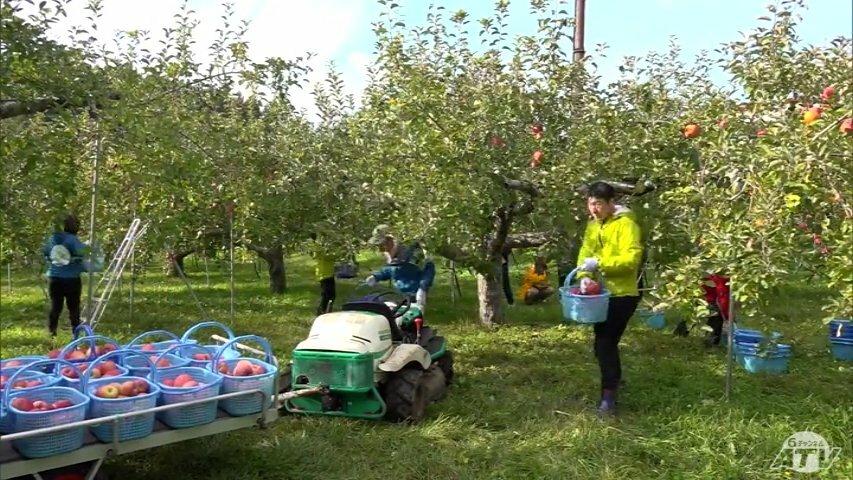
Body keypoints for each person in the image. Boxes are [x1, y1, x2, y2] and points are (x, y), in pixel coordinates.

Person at [575, 181, 644, 416]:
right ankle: (614, 379)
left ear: (611, 203)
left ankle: (609, 396)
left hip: (622, 293)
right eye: (590, 204)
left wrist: (601, 264)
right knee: (604, 342)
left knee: (604, 342)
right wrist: (584, 275)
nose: (594, 209)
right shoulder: (593, 226)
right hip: (600, 294)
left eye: (599, 204)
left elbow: (631, 259)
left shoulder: (627, 225)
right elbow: (585, 253)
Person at [365, 224, 435, 310]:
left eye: (383, 245)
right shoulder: (395, 257)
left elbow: (428, 269)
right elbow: (391, 270)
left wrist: (422, 288)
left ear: (393, 240)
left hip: (415, 295)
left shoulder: (414, 253)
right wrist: (376, 276)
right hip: (399, 295)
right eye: (379, 246)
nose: (382, 250)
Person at [42, 214, 88, 338]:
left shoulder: (52, 239)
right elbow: (83, 253)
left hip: (55, 278)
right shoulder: (72, 239)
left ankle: (52, 333)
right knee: (73, 308)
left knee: (55, 306)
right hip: (71, 279)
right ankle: (75, 334)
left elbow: (46, 253)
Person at [309, 233, 337, 315]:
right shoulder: (318, 247)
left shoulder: (322, 247)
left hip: (329, 273)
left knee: (331, 295)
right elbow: (327, 256)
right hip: (324, 274)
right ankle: (321, 312)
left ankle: (327, 311)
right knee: (327, 295)